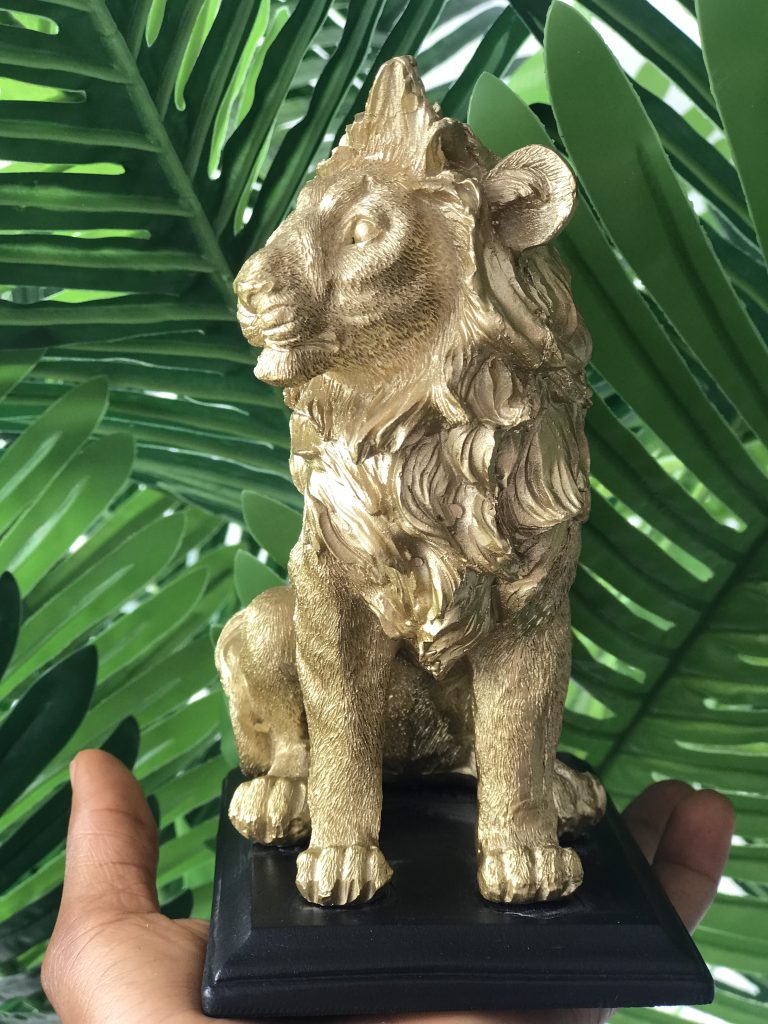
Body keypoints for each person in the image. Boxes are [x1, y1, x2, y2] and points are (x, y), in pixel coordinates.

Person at [41, 750, 734, 1024]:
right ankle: (298, 762)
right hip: (329, 725)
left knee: (518, 603)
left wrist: (518, 799)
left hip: (465, 722)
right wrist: (338, 817)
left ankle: (501, 766)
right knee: (296, 620)